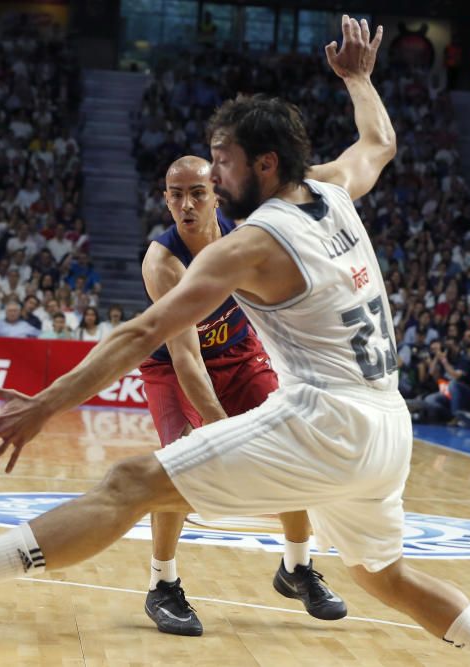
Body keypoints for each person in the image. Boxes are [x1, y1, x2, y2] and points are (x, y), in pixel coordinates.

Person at [0, 17, 470, 666]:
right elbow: (378, 140)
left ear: (265, 163)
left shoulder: (255, 244)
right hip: (387, 425)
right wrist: (359, 79)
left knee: (128, 480)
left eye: (223, 165)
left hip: (329, 419)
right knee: (385, 577)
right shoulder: (333, 188)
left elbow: (143, 331)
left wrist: (43, 404)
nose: (216, 178)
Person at [136, 155, 344, 637]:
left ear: (216, 194)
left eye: (198, 193)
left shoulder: (246, 232)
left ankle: (296, 567)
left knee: (293, 446)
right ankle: (161, 584)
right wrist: (222, 426)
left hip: (239, 353)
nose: (186, 204)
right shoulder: (162, 263)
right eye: (176, 195)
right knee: (180, 462)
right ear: (165, 200)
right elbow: (187, 357)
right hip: (173, 366)